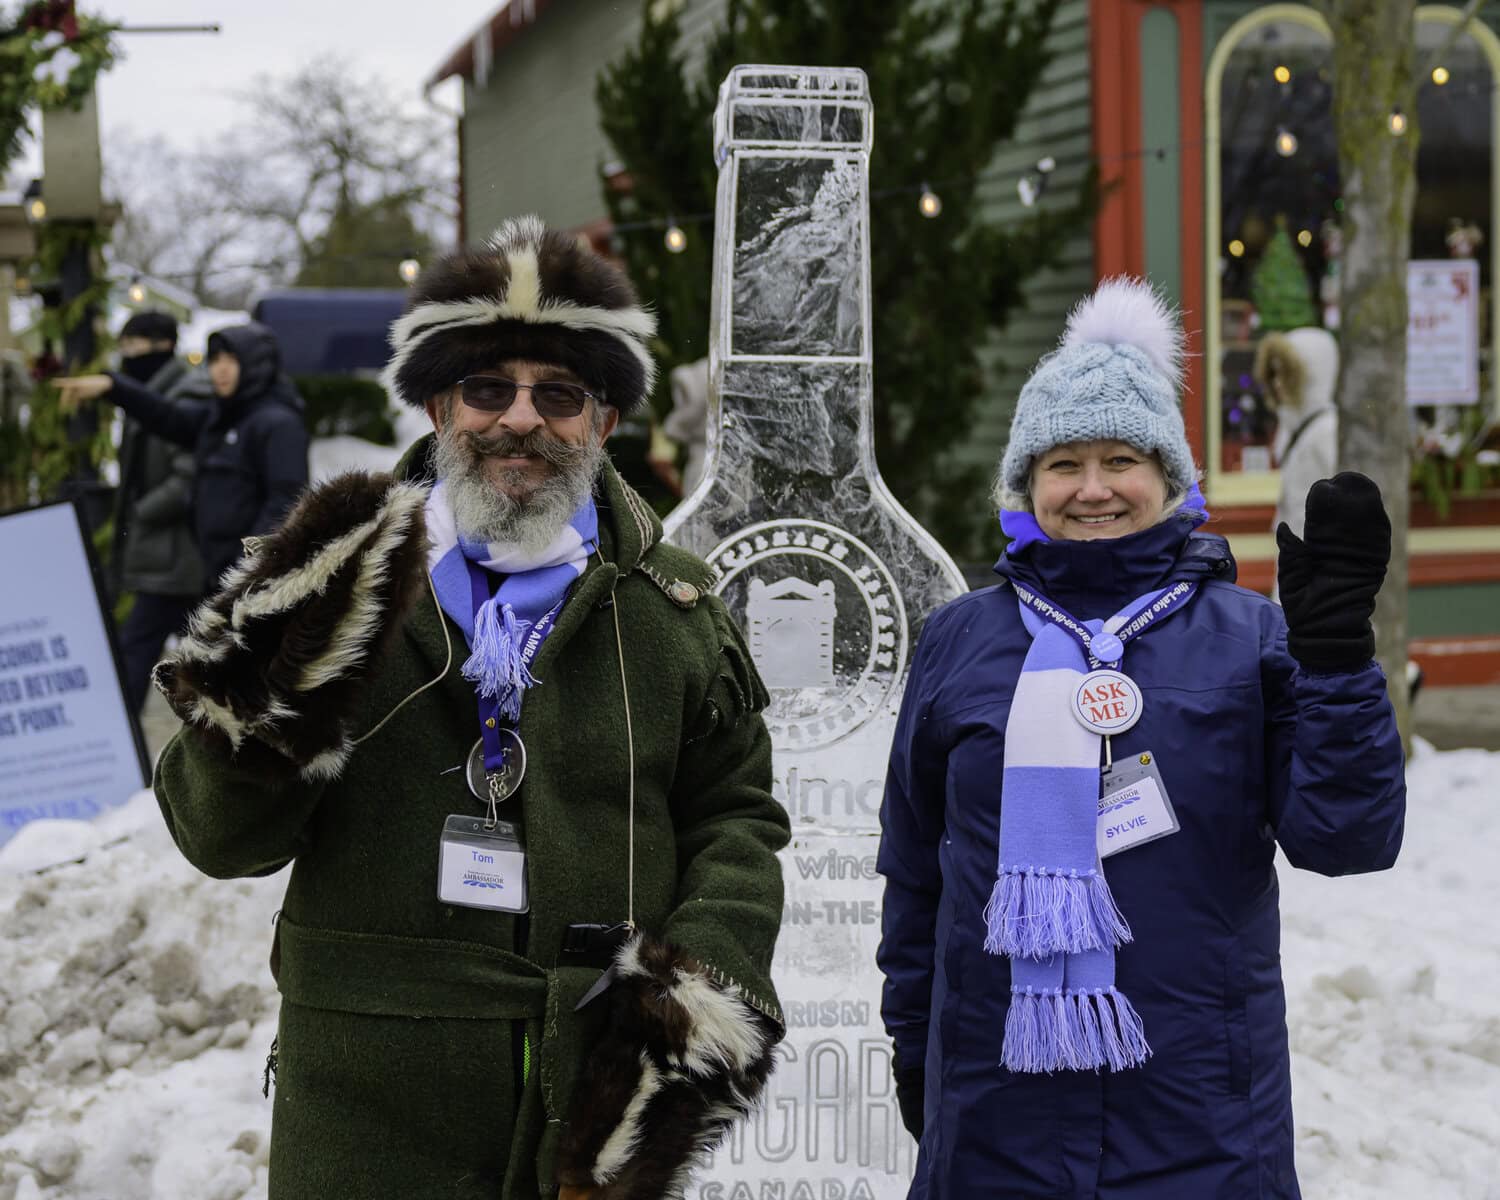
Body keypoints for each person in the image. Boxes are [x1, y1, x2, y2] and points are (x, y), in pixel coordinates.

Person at [147, 216, 789, 1200]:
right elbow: (220, 839)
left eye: (560, 394)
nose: (520, 420)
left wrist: (685, 1006)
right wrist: (277, 668)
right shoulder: (337, 584)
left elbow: (735, 820)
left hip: (591, 1118)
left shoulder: (677, 610)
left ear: (606, 421)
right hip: (365, 1117)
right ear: (441, 407)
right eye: (488, 388)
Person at [876, 277, 1405, 1199]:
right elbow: (915, 869)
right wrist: (917, 1045)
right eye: (1061, 463)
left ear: (1168, 478)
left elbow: (1346, 838)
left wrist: (1337, 667)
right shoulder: (961, 638)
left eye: (1120, 459)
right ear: (1025, 481)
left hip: (1202, 1119)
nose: (1091, 489)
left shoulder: (1250, 637)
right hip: (995, 1110)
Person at [56, 320, 310, 593]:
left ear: (256, 365)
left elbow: (285, 503)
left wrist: (248, 571)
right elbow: (168, 417)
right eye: (214, 360)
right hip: (214, 573)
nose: (220, 369)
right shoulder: (221, 416)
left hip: (245, 581)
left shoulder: (277, 424)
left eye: (232, 359)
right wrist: (113, 387)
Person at [103, 310, 216, 713]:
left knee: (137, 651)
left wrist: (140, 512)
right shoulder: (158, 390)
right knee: (191, 656)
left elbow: (186, 478)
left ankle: (122, 742)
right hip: (167, 554)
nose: (127, 355)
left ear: (163, 344)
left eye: (133, 345)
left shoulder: (181, 396)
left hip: (176, 553)